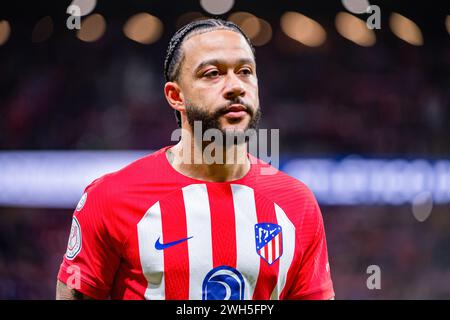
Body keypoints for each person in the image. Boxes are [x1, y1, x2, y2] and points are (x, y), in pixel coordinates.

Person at [56, 18, 334, 300]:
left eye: (245, 71)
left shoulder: (298, 204)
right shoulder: (111, 198)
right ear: (176, 96)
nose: (235, 86)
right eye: (213, 73)